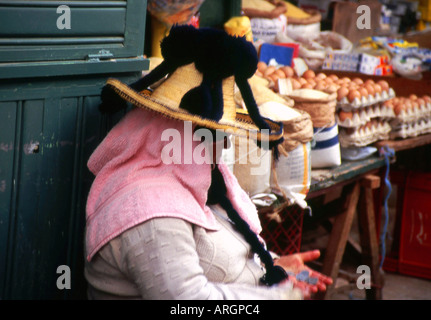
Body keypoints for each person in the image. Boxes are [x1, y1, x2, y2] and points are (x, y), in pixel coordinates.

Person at [84, 27, 332, 300]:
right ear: (174, 134)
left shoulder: (194, 181)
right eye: (216, 134)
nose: (225, 145)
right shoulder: (150, 211)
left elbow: (225, 249)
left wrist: (272, 266)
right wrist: (282, 296)